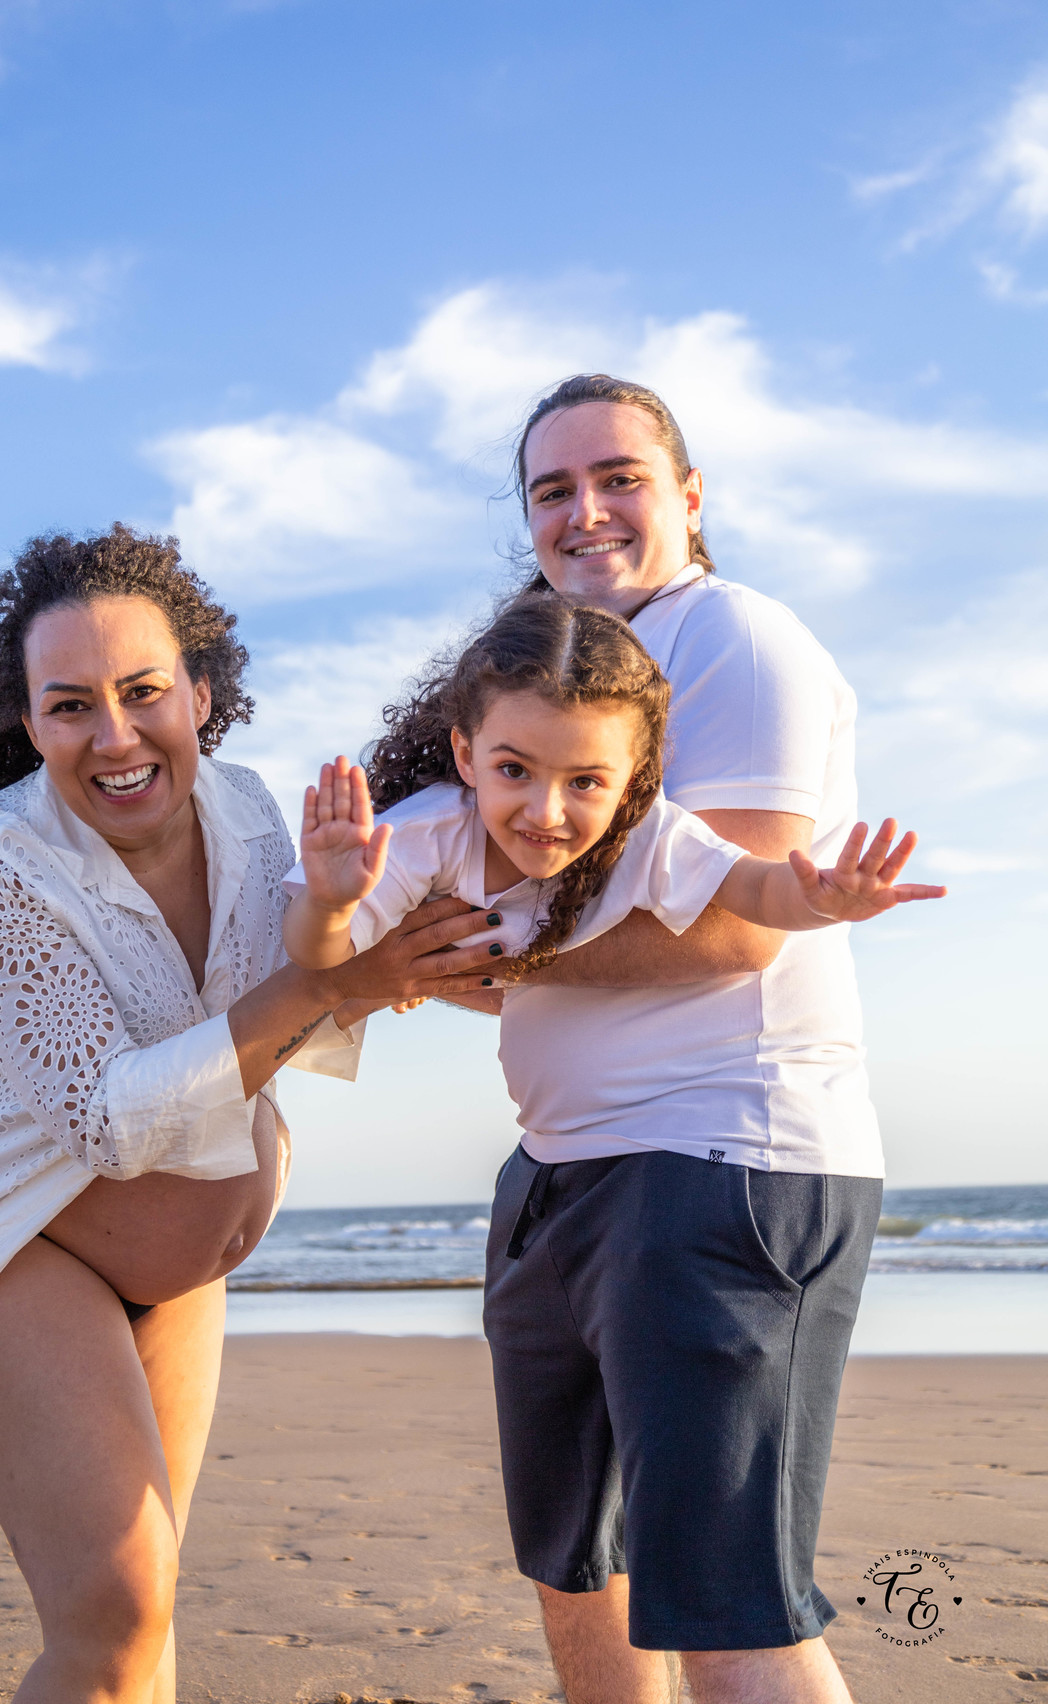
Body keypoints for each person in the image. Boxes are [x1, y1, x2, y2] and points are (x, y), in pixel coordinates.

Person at [0, 525, 498, 1704]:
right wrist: (341, 982)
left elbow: (305, 995)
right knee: (117, 1614)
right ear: (31, 723)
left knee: (147, 1627)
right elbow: (110, 1122)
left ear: (201, 694)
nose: (115, 736)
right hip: (15, 1252)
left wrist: (399, 955)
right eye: (70, 706)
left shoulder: (248, 811)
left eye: (144, 691)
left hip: (186, 1279)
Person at [469, 375, 920, 1704]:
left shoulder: (735, 640)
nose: (586, 511)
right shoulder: (554, 678)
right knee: (578, 1573)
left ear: (690, 496)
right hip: (563, 1169)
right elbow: (504, 939)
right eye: (552, 490)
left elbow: (735, 931)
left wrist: (476, 955)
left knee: (728, 1612)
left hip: (722, 1159)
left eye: (619, 478)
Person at [282, 595, 940, 988]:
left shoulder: (646, 834)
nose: (546, 811)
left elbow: (756, 890)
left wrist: (822, 901)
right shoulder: (428, 836)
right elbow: (318, 955)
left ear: (632, 779)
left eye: (585, 781)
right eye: (515, 770)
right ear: (466, 755)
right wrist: (331, 904)